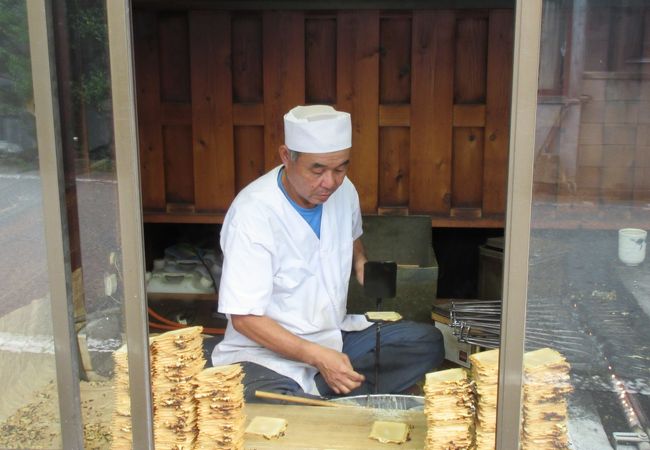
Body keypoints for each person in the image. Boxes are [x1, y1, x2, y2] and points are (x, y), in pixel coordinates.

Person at [211, 105, 444, 400]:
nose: (330, 182)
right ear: (287, 156)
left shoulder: (344, 191)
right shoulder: (253, 214)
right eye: (317, 170)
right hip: (263, 354)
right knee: (269, 400)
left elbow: (351, 235)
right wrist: (316, 356)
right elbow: (244, 318)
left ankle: (323, 391)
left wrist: (361, 261)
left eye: (340, 168)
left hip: (334, 336)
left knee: (427, 342)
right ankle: (322, 392)